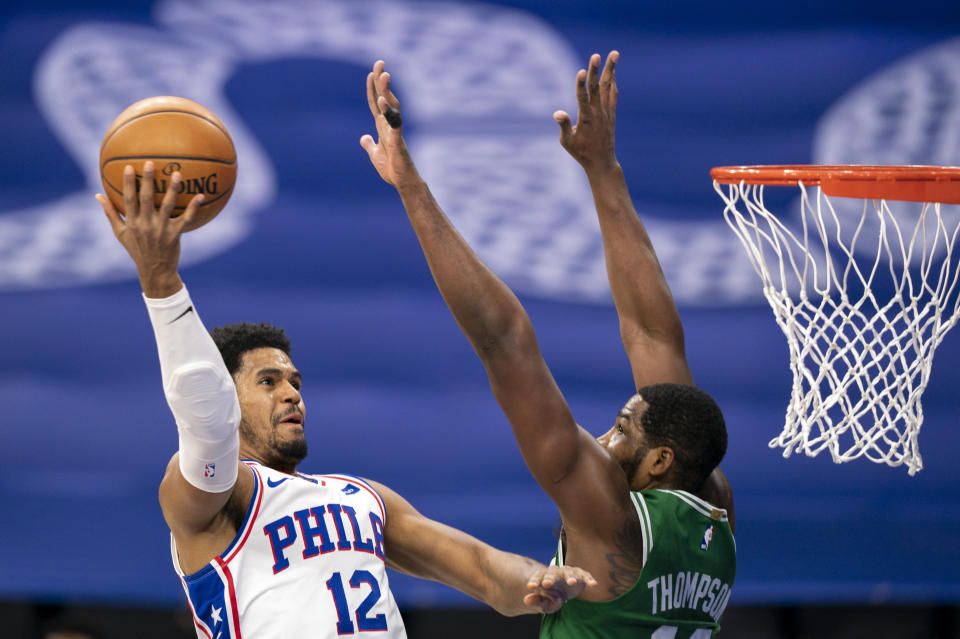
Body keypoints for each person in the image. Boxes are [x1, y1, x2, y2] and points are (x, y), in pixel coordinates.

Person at [94, 163, 596, 638]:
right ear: (231, 396)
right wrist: (161, 284)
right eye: (268, 382)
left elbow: (486, 572)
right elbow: (206, 421)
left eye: (295, 382)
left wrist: (538, 578)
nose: (292, 392)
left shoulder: (362, 497)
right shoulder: (218, 496)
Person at [361, 51, 736, 637]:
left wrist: (411, 187)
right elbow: (652, 332)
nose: (606, 437)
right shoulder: (714, 500)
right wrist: (602, 169)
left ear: (659, 460)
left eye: (622, 428)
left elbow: (504, 342)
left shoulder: (611, 515)